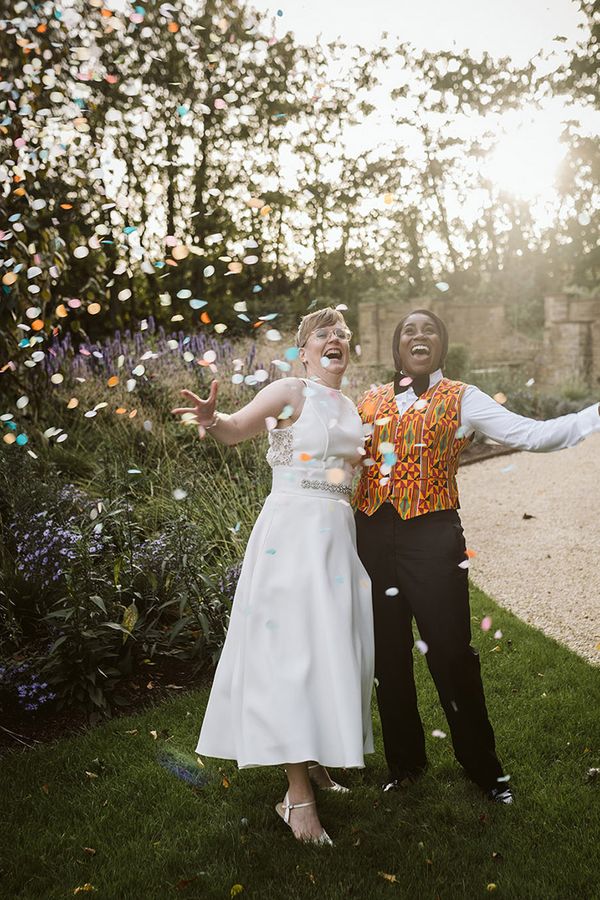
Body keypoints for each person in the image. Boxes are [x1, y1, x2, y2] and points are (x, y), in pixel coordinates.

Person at [354, 308, 600, 803]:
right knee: (389, 659)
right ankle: (406, 765)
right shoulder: (367, 401)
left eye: (430, 330)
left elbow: (533, 434)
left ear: (442, 346)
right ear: (396, 347)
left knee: (452, 656)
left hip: (433, 538)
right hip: (372, 539)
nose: (419, 336)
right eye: (409, 330)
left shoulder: (463, 399)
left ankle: (484, 770)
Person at [172, 308, 374, 845]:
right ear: (304, 350)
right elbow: (236, 429)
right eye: (323, 335)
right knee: (293, 656)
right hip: (291, 534)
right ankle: (296, 799)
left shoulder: (352, 406)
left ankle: (319, 763)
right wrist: (212, 419)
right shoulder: (290, 391)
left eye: (343, 335)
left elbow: (354, 469)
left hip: (336, 538)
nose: (336, 340)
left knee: (332, 650)